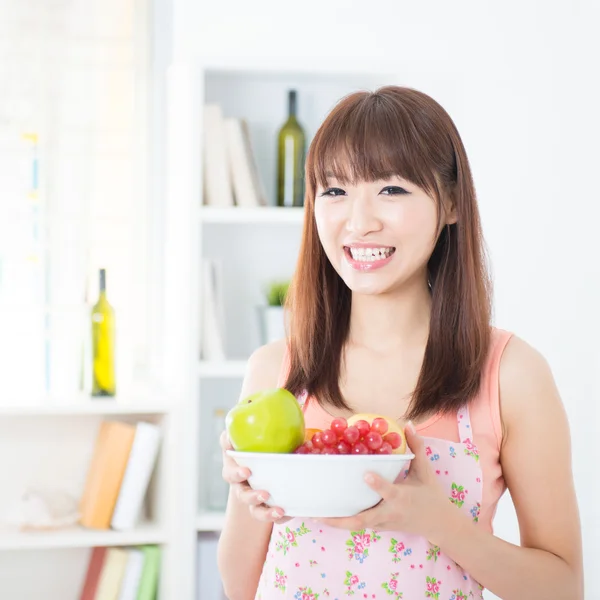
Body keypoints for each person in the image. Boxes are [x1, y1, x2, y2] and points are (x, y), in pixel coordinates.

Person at [217, 86, 583, 600]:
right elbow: (240, 584)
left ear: (451, 202)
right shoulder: (276, 371)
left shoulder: (509, 374)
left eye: (391, 190)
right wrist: (246, 492)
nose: (359, 222)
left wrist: (439, 522)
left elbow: (563, 587)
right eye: (334, 191)